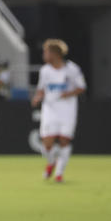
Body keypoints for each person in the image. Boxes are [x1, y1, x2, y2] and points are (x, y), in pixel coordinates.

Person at [31, 39, 86, 183]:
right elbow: (41, 90)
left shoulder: (72, 69)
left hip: (67, 110)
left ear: (55, 54)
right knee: (47, 143)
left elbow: (81, 87)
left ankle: (59, 173)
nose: (44, 55)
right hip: (50, 109)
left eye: (46, 52)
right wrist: (37, 98)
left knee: (64, 140)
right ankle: (51, 162)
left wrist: (67, 94)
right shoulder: (45, 71)